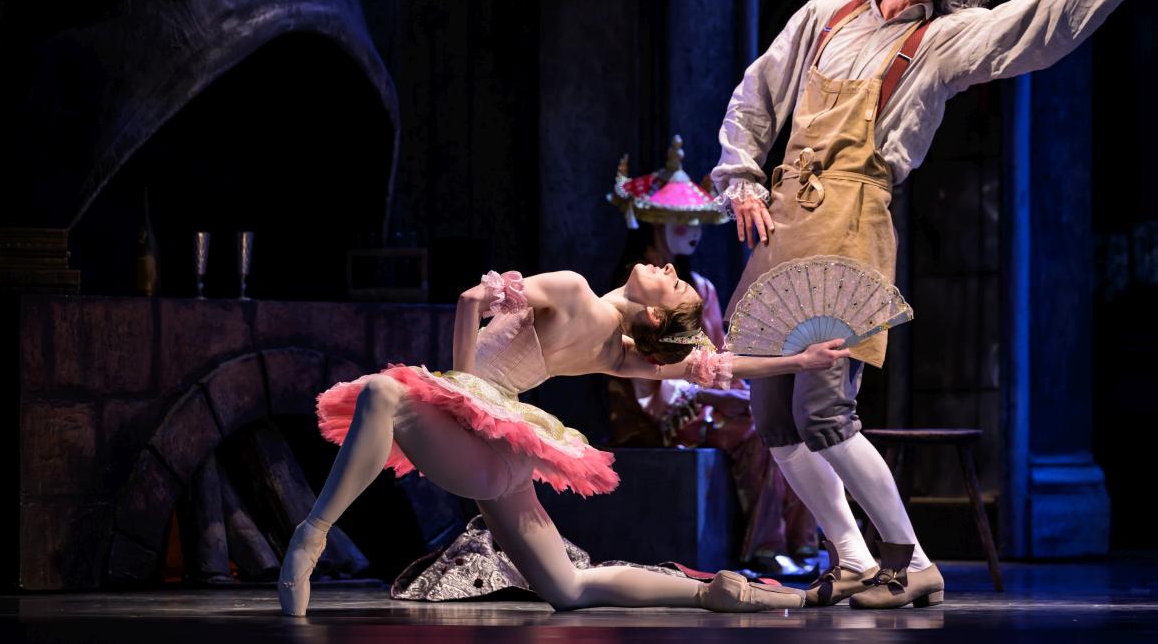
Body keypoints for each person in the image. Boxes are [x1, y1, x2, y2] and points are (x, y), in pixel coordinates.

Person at [713, 0, 1158, 608]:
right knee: (774, 417)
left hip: (851, 224)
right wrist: (743, 180)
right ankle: (852, 558)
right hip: (786, 221)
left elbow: (1042, 20)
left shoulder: (940, 41)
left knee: (823, 411)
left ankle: (911, 561)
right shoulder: (822, 19)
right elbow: (754, 98)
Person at [277, 263, 851, 616]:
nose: (670, 268)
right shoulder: (617, 353)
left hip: (485, 430)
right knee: (567, 588)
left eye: (674, 284)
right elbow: (718, 368)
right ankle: (711, 594)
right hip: (500, 449)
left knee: (383, 392)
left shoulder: (577, 293)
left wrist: (464, 391)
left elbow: (470, 300)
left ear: (655, 316)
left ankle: (312, 534)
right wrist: (799, 361)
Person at [606, 139, 817, 571]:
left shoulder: (701, 287)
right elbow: (645, 369)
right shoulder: (640, 287)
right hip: (657, 408)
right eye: (684, 222)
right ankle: (765, 548)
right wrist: (710, 397)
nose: (695, 232)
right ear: (655, 224)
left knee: (783, 423)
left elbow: (717, 354)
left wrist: (733, 393)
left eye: (699, 222)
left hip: (701, 392)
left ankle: (803, 544)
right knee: (757, 433)